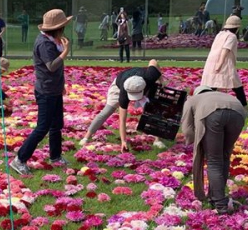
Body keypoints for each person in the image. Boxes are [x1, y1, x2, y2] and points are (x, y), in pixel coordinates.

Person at [10, 9, 72, 175]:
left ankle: (55, 156)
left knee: (56, 124)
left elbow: (57, 70)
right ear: (56, 29)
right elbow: (51, 66)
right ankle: (19, 159)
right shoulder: (44, 43)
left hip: (54, 89)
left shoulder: (51, 41)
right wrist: (66, 51)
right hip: (46, 91)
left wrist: (61, 85)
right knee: (42, 127)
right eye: (63, 27)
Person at [181, 86, 246, 214]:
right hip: (238, 113)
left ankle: (220, 204)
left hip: (212, 114)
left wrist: (194, 139)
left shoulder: (192, 100)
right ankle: (216, 196)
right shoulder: (223, 95)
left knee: (214, 160)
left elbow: (187, 129)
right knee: (225, 156)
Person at [80, 59, 162, 151]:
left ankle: (157, 139)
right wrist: (123, 141)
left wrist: (161, 81)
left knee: (153, 109)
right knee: (107, 111)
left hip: (143, 85)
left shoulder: (151, 76)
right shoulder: (123, 93)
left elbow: (153, 61)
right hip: (119, 85)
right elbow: (122, 120)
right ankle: (86, 137)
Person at [200, 15, 247, 107]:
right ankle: (244, 107)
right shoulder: (232, 36)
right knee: (236, 86)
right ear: (237, 27)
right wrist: (220, 64)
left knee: (212, 83)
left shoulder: (220, 34)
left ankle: (202, 104)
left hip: (212, 61)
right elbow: (225, 50)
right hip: (224, 62)